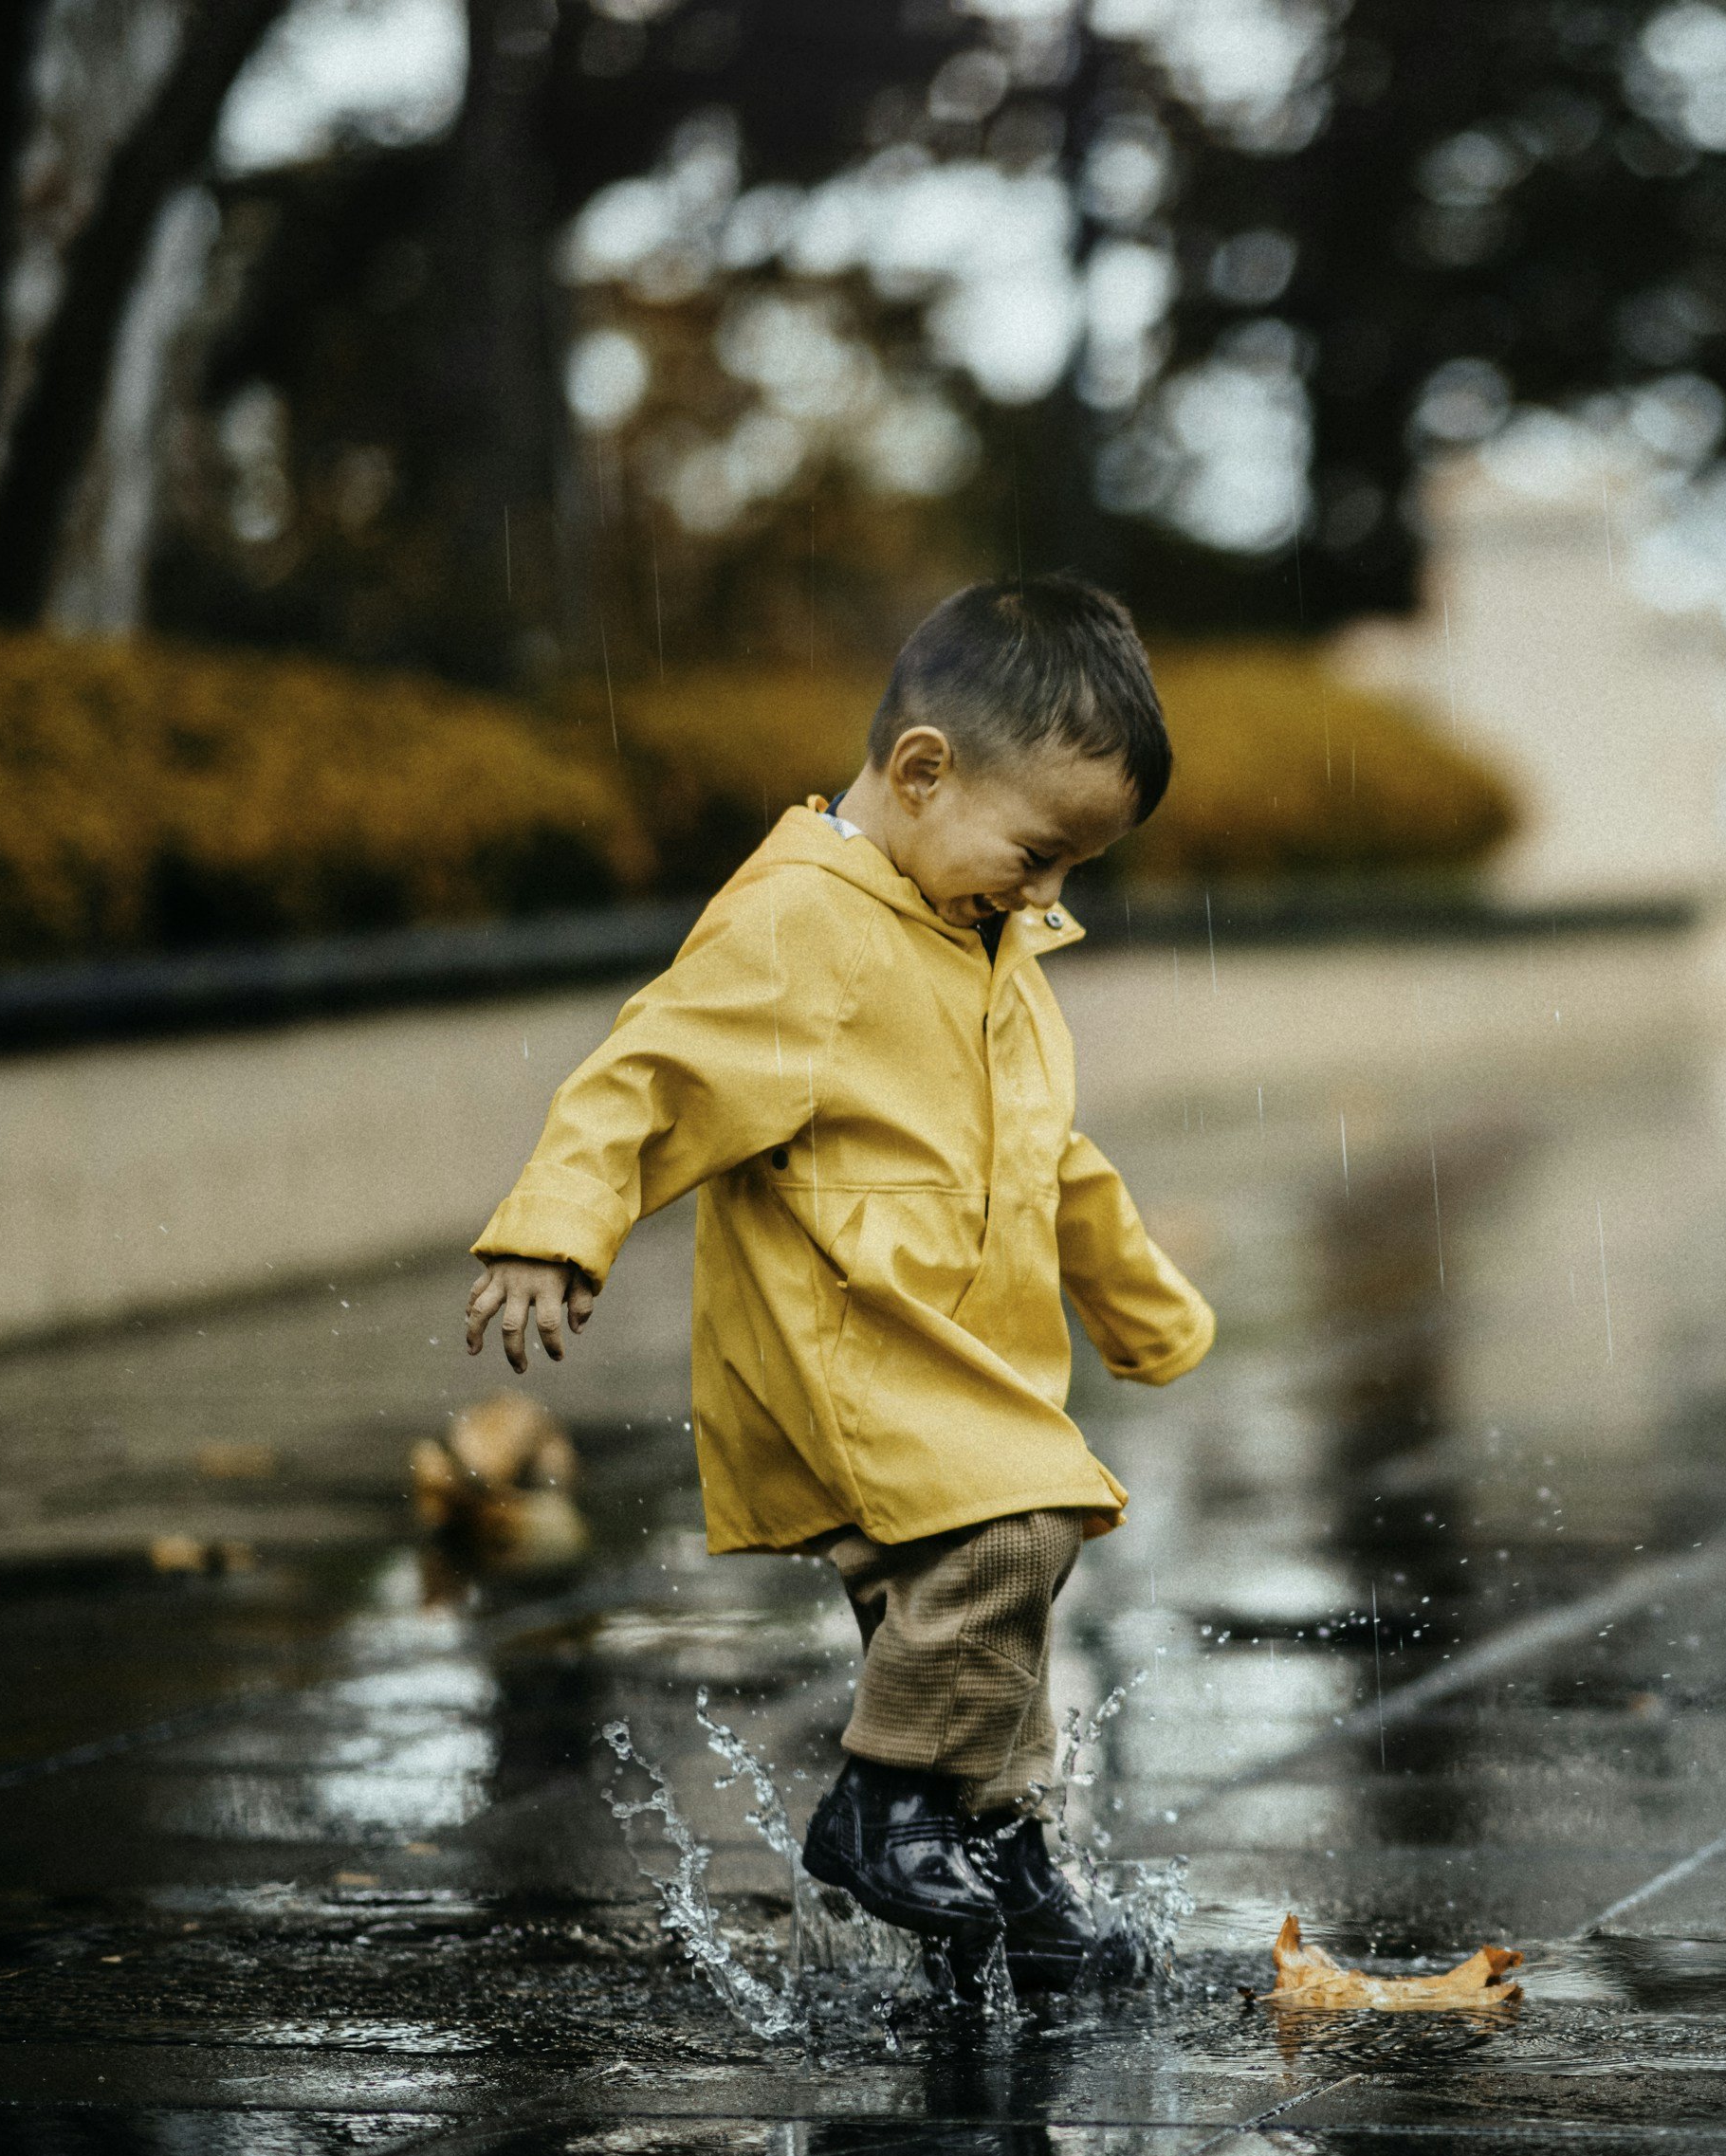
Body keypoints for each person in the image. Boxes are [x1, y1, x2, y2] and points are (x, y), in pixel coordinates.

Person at [464, 575, 1215, 1988]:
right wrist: (556, 1223)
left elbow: (1051, 1154)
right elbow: (653, 1068)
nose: (1052, 895)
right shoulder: (804, 922)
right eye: (1042, 852)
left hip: (951, 1362)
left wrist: (1140, 1303)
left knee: (989, 1636)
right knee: (1020, 1526)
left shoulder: (980, 937)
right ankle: (885, 1812)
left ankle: (1000, 1868)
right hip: (849, 1355)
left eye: (1076, 872)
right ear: (924, 771)